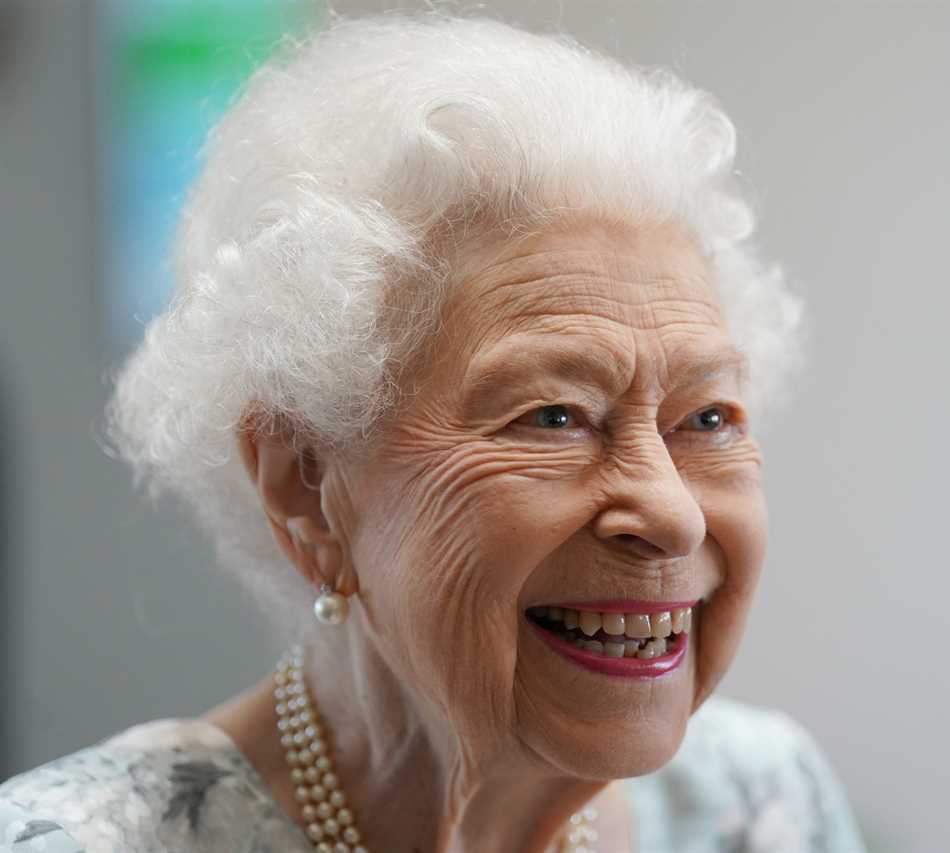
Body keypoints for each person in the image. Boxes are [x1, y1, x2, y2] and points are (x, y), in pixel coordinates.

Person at [0, 12, 864, 853]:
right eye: (554, 415)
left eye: (707, 418)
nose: (673, 514)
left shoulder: (764, 806)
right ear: (304, 483)